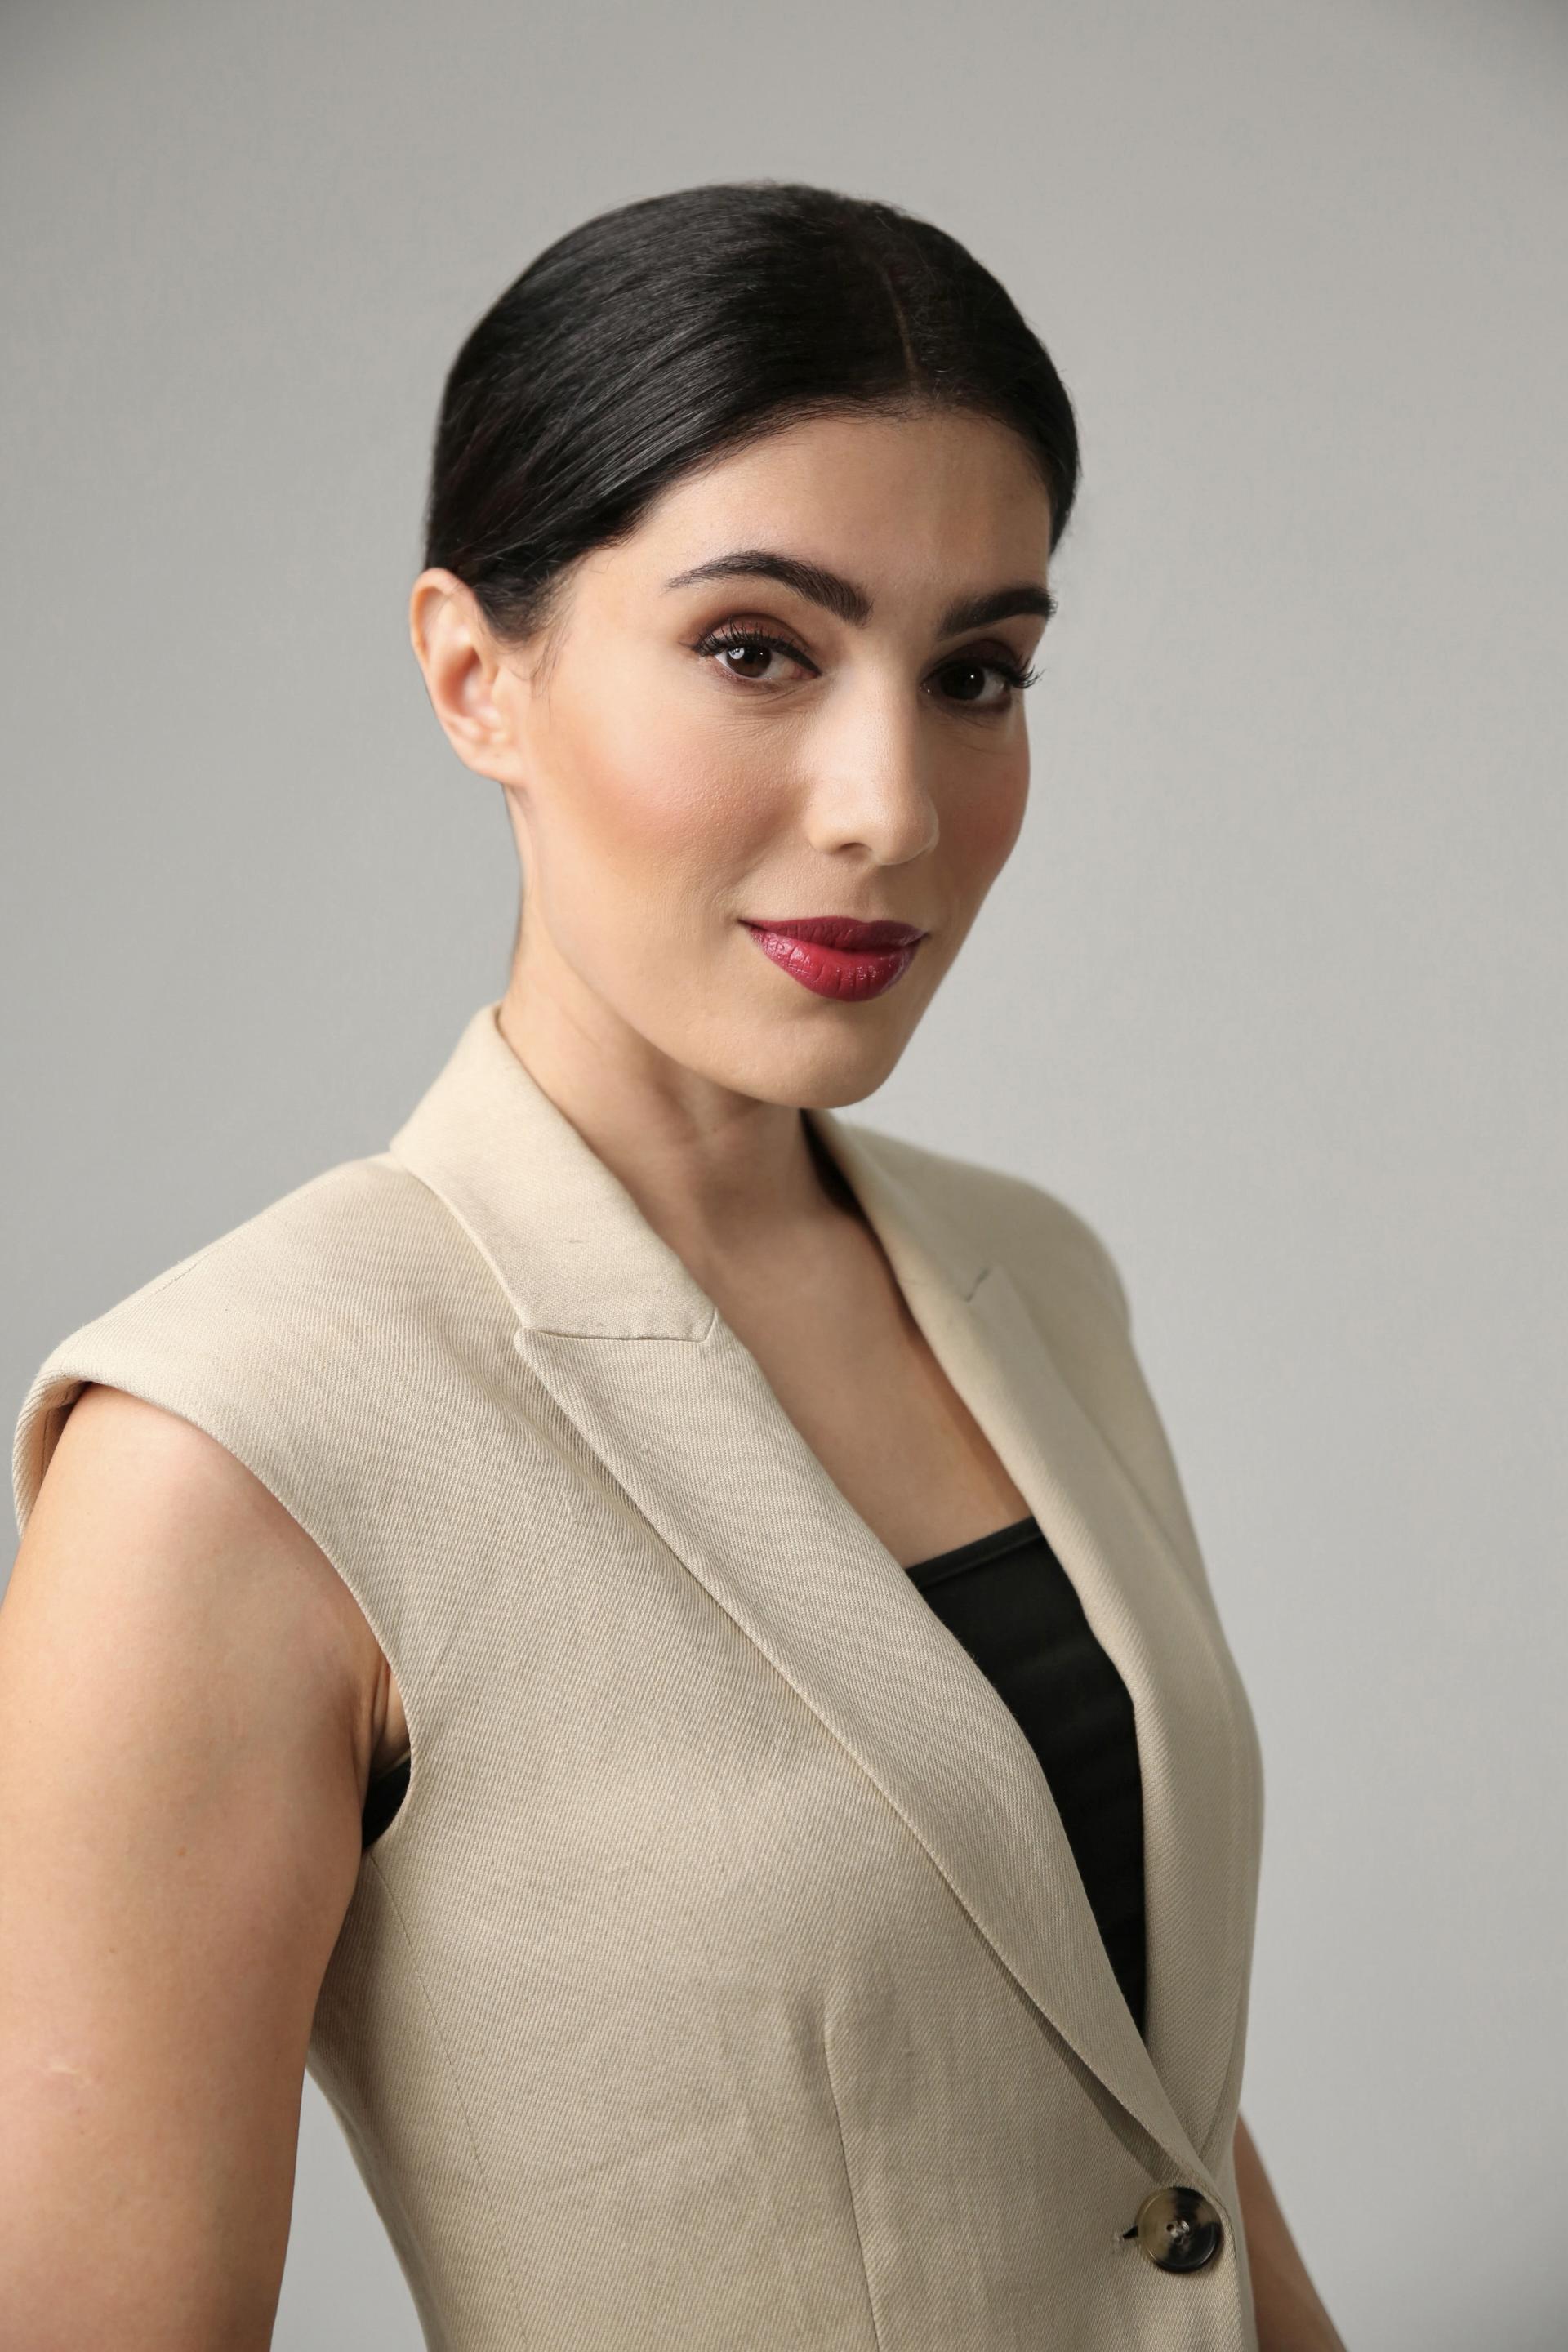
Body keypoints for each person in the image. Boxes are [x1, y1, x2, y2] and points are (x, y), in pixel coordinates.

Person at [1, 180, 1346, 2350]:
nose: (891, 806)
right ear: (477, 675)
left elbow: (1144, 2131)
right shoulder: (233, 1449)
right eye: (756, 650)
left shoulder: (1039, 1281)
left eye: (977, 674)